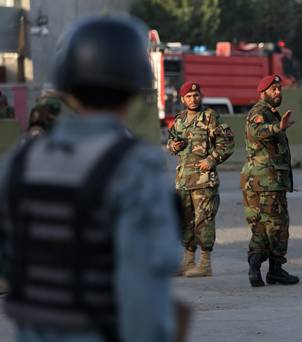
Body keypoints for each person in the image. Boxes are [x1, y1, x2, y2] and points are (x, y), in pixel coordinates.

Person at [0, 16, 182, 341]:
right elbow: (143, 292)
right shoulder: (136, 168)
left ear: (66, 85)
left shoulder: (19, 163)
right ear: (132, 87)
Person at [166, 81, 234, 277]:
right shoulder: (179, 120)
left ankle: (205, 264)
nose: (193, 99)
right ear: (182, 99)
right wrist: (173, 146)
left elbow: (227, 142)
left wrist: (211, 160)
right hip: (184, 180)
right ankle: (188, 261)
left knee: (204, 220)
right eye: (189, 96)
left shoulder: (210, 117)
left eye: (196, 95)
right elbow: (171, 142)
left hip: (204, 180)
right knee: (185, 221)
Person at [241, 74, 299, 287]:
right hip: (266, 182)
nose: (278, 92)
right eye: (274, 89)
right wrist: (278, 128)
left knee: (262, 225)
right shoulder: (259, 113)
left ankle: (257, 269)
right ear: (262, 93)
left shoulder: (272, 114)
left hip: (263, 181)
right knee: (276, 225)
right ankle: (273, 270)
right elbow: (258, 132)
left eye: (279, 89)